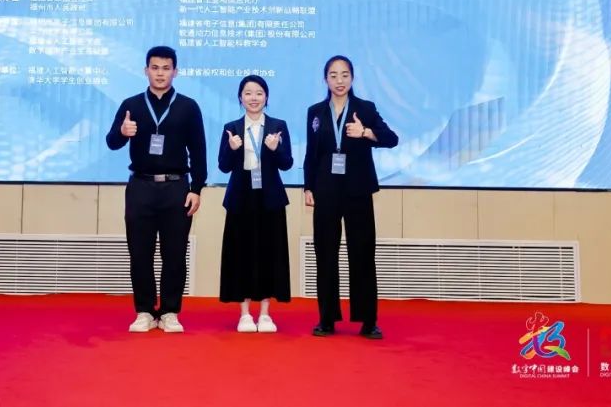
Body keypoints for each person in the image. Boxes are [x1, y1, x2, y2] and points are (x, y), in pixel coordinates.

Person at [106, 46, 206, 333]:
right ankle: (145, 311)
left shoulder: (188, 106)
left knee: (174, 253)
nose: (160, 73)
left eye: (166, 68)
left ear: (175, 72)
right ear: (145, 70)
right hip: (140, 186)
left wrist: (197, 188)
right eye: (155, 68)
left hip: (176, 188)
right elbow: (112, 142)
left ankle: (170, 311)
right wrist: (122, 132)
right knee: (140, 253)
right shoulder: (131, 105)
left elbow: (199, 151)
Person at [304, 55, 398, 339]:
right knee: (325, 254)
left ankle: (368, 321)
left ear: (352, 78)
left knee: (362, 254)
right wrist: (308, 187)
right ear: (325, 79)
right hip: (325, 191)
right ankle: (327, 319)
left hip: (358, 190)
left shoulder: (365, 109)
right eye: (333, 75)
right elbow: (311, 153)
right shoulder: (315, 112)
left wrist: (365, 132)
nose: (339, 80)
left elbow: (391, 138)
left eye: (344, 75)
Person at [217, 75, 293, 333]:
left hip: (270, 198)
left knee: (270, 254)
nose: (253, 98)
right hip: (241, 198)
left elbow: (287, 163)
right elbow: (223, 166)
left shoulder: (278, 126)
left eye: (259, 93)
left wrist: (275, 148)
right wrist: (231, 148)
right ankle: (244, 314)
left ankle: (265, 314)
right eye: (248, 93)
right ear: (240, 97)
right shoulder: (231, 127)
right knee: (241, 255)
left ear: (266, 97)